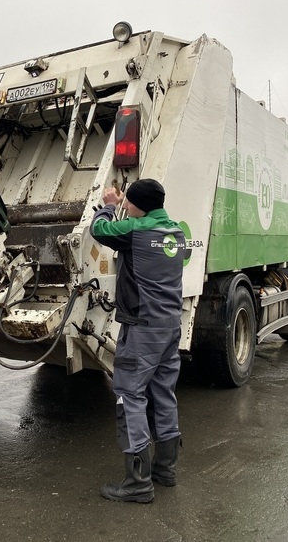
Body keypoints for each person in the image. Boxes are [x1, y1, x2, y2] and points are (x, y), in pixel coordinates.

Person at [89, 178, 185, 503]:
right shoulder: (176, 233)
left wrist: (109, 205)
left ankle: (137, 483)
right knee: (164, 393)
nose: (126, 206)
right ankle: (165, 469)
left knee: (130, 395)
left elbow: (99, 231)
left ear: (139, 205)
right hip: (170, 327)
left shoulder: (134, 231)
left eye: (130, 202)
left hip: (142, 329)